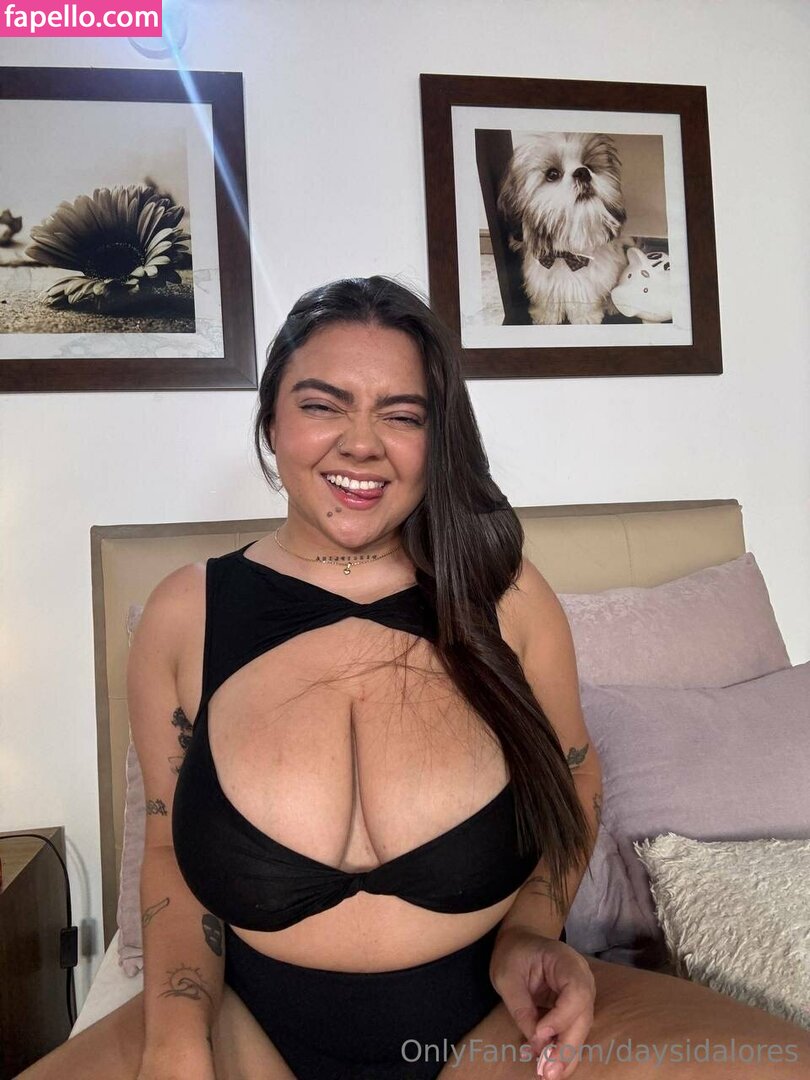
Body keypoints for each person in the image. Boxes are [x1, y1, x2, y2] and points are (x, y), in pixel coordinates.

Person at [20, 277, 810, 1080]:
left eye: (402, 416)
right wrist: (176, 1037)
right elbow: (168, 850)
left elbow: (577, 777)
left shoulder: (505, 597)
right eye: (322, 405)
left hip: (499, 1027)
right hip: (244, 1033)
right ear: (271, 421)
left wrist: (530, 934)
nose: (361, 444)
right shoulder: (184, 615)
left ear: (438, 440)